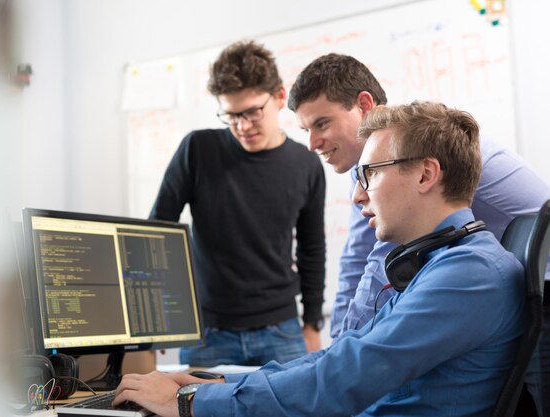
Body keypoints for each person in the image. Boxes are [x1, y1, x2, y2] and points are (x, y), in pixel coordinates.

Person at [114, 102, 524, 417]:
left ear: (425, 174)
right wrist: (217, 381)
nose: (359, 195)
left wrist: (191, 404)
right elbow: (338, 357)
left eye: (370, 175)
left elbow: (344, 377)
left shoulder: (468, 275)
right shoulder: (438, 263)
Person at [289, 54, 550, 415]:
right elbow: (358, 261)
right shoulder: (381, 166)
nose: (312, 143)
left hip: (542, 296)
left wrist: (338, 359)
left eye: (322, 123)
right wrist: (336, 357)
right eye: (305, 131)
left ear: (364, 104)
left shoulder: (410, 156)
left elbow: (378, 262)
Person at [149, 40, 326, 366]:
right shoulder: (197, 150)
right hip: (208, 332)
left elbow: (312, 249)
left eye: (252, 112)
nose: (242, 126)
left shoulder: (307, 165)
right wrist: (153, 320)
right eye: (231, 115)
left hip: (282, 331)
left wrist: (313, 323)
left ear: (279, 97)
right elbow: (157, 232)